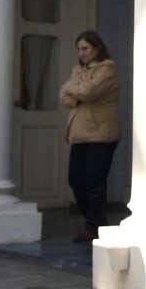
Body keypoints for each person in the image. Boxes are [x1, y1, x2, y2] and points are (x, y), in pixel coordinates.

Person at [59, 30, 120, 242]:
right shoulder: (78, 70)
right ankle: (97, 223)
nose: (81, 53)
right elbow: (65, 98)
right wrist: (76, 91)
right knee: (75, 181)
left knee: (94, 184)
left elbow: (88, 92)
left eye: (85, 48)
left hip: (100, 135)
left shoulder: (108, 69)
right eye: (79, 49)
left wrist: (73, 89)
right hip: (79, 135)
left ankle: (94, 228)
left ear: (97, 48)